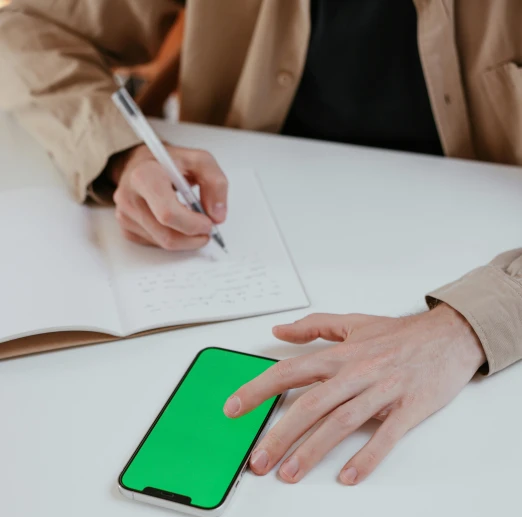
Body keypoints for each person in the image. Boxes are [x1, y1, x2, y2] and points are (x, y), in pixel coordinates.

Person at [1, 1, 521, 485]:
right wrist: (123, 153)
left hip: (478, 282)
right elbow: (26, 26)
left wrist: (461, 328)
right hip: (243, 272)